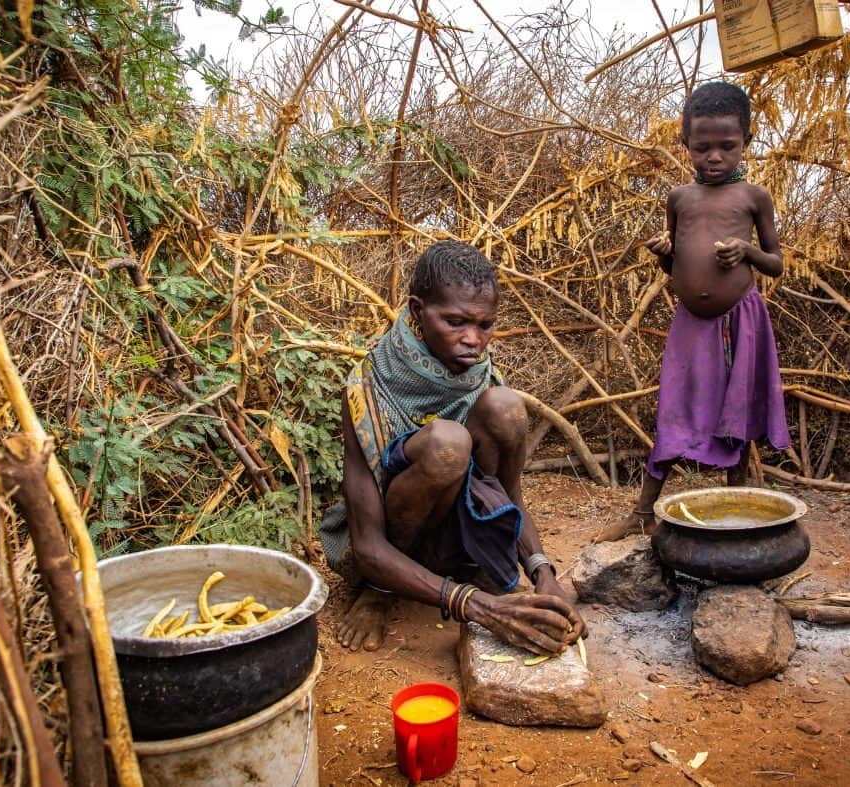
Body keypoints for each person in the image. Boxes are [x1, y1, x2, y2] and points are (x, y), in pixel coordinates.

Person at [320, 240, 586, 655]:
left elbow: (507, 495)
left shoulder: (480, 377)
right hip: (388, 546)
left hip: (458, 540)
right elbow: (367, 544)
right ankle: (379, 592)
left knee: (507, 408)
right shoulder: (368, 388)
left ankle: (471, 561)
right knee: (447, 444)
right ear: (416, 312)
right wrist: (480, 608)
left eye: (485, 325)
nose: (473, 341)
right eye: (456, 322)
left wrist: (542, 573)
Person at [597, 81, 791, 543]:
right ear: (686, 145)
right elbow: (675, 265)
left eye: (728, 146)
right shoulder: (679, 199)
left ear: (746, 141)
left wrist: (745, 251)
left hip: (740, 322)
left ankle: (739, 508)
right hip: (691, 325)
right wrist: (662, 252)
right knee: (674, 410)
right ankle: (644, 511)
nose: (715, 157)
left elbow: (776, 263)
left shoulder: (754, 197)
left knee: (736, 414)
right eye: (702, 147)